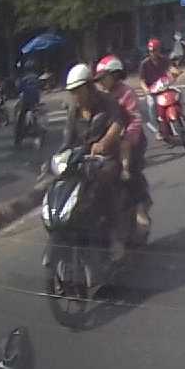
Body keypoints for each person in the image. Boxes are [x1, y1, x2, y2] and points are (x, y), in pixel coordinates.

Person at [59, 63, 130, 259]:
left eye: (78, 90)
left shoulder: (106, 101)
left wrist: (104, 142)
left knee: (104, 182)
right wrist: (57, 157)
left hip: (106, 157)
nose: (75, 95)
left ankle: (115, 236)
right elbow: (67, 139)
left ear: (89, 87)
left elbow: (118, 123)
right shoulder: (74, 110)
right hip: (82, 160)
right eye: (72, 92)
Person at [94, 56, 151, 236]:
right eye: (99, 79)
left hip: (132, 139)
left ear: (115, 75)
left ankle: (140, 208)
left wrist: (127, 138)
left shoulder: (126, 93)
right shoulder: (101, 96)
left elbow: (135, 120)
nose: (101, 82)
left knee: (129, 173)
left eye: (104, 78)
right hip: (110, 141)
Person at [139, 38, 180, 143]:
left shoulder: (164, 60)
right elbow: (142, 81)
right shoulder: (144, 64)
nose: (152, 53)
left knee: (178, 94)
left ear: (159, 50)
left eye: (154, 50)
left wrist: (176, 72)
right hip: (152, 90)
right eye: (150, 51)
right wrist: (146, 90)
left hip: (164, 86)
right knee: (152, 105)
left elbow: (170, 68)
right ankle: (158, 130)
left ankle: (180, 114)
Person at [14, 62, 42, 145]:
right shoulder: (36, 77)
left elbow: (19, 89)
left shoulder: (23, 79)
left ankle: (18, 137)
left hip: (26, 100)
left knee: (20, 116)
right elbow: (40, 86)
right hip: (36, 100)